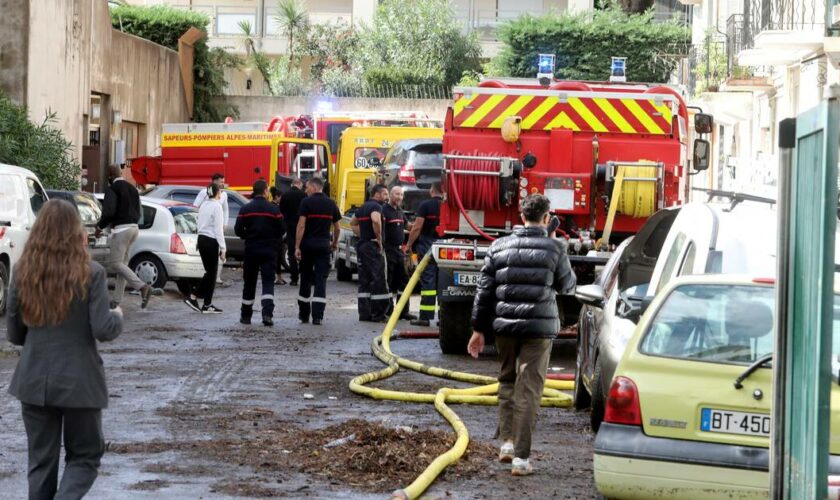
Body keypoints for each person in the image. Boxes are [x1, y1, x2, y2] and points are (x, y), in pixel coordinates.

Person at [7, 200, 123, 499]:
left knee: (41, 463)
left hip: (34, 382)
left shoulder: (22, 271)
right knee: (85, 456)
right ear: (75, 232)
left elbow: (15, 334)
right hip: (79, 383)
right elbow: (103, 329)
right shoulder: (92, 273)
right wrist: (118, 316)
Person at [467, 194, 576, 476]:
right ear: (546, 217)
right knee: (528, 389)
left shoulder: (499, 246)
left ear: (520, 216)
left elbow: (484, 291)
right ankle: (521, 458)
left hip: (504, 327)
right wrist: (553, 242)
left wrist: (478, 330)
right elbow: (567, 286)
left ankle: (506, 443)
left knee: (506, 381)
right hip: (539, 330)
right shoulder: (555, 248)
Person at [95, 165, 154, 309]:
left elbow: (109, 212)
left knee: (115, 264)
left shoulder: (112, 189)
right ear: (120, 173)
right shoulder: (133, 188)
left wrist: (99, 227)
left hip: (121, 230)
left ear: (109, 176)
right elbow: (139, 210)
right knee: (123, 266)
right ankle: (116, 301)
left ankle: (142, 287)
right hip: (134, 229)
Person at [235, 179, 286, 326]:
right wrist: (273, 239)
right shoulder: (274, 210)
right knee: (268, 283)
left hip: (251, 250)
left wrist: (247, 236)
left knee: (249, 283)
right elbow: (282, 229)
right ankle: (267, 315)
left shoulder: (245, 209)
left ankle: (246, 316)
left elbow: (238, 230)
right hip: (269, 251)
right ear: (265, 191)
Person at [295, 177, 341, 326]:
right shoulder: (331, 203)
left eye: (307, 187)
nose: (306, 190)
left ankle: (303, 314)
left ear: (314, 188)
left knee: (306, 279)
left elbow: (301, 225)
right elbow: (338, 227)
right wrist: (334, 243)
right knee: (321, 280)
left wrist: (297, 246)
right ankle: (317, 316)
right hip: (323, 246)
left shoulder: (306, 203)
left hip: (307, 246)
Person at [405, 182, 444, 326]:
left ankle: (425, 317)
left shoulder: (425, 205)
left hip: (427, 245)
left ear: (431, 190)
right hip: (445, 247)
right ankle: (443, 318)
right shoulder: (447, 205)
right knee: (443, 282)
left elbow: (417, 227)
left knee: (428, 281)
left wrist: (409, 245)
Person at [350, 184, 390, 322]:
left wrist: (363, 235)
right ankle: (379, 314)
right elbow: (375, 220)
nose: (387, 197)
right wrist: (378, 238)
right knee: (378, 279)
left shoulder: (363, 207)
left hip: (363, 245)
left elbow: (353, 223)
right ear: (377, 194)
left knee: (364, 280)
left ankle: (364, 314)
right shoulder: (376, 206)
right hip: (372, 247)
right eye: (385, 194)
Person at [185, 183, 226, 314]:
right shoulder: (217, 206)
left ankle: (207, 303)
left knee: (210, 273)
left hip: (202, 240)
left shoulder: (203, 205)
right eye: (220, 191)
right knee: (211, 273)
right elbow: (218, 229)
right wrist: (223, 249)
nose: (221, 194)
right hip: (211, 240)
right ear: (216, 193)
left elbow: (199, 223)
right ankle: (195, 297)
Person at [383, 186, 415, 320]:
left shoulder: (400, 212)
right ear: (390, 195)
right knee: (389, 281)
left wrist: (420, 225)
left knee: (404, 281)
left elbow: (408, 226)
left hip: (399, 250)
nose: (399, 197)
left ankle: (403, 311)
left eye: (401, 195)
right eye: (397, 194)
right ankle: (389, 311)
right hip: (388, 250)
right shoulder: (384, 210)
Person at [193, 173, 230, 286]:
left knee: (211, 269)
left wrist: (225, 223)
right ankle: (198, 293)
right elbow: (195, 208)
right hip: (208, 234)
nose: (222, 184)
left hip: (211, 234)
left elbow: (226, 210)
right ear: (214, 182)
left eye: (223, 182)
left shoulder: (224, 195)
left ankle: (215, 278)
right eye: (220, 182)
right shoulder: (204, 194)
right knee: (210, 270)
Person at [279, 177, 306, 286]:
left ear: (292, 184)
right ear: (299, 184)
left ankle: (294, 278)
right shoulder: (303, 195)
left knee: (291, 253)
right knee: (303, 251)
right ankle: (305, 276)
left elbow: (281, 211)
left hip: (289, 227)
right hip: (302, 227)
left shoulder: (285, 195)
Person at [269, 186, 287, 285]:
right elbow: (281, 224)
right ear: (277, 197)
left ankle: (278, 277)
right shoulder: (276, 208)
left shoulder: (271, 206)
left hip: (272, 236)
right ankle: (277, 277)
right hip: (277, 236)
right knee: (277, 257)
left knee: (276, 257)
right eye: (281, 197)